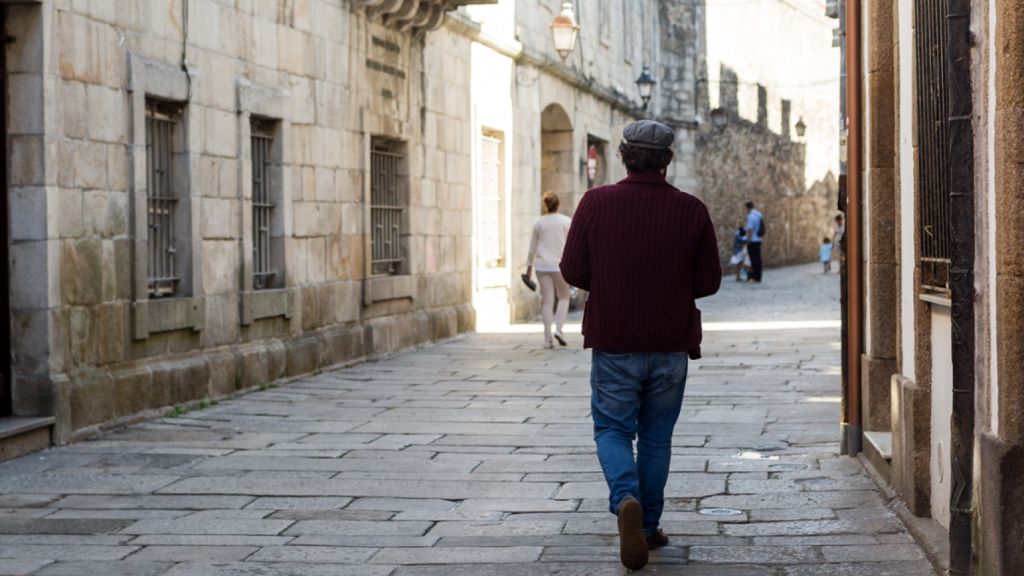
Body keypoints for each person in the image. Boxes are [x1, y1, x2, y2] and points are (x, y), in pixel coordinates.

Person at [560, 120, 722, 570]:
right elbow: (709, 281)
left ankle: (625, 497)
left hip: (615, 340)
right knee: (655, 437)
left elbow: (572, 269)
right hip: (671, 342)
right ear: (668, 160)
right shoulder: (692, 210)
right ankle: (647, 526)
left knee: (613, 429)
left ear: (623, 155)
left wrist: (611, 285)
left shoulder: (596, 202)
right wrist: (669, 286)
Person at [526, 191, 573, 349]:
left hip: (542, 265)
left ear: (545, 206)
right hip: (560, 265)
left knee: (547, 301)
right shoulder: (566, 221)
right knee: (564, 297)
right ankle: (559, 330)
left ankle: (547, 340)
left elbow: (532, 248)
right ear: (558, 205)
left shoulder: (539, 222)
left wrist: (528, 269)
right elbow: (572, 246)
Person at [744, 201, 764, 283]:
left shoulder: (751, 216)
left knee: (753, 259)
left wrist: (748, 240)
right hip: (759, 239)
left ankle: (754, 277)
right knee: (758, 259)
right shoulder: (759, 214)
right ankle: (758, 276)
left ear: (747, 208)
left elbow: (750, 229)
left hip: (753, 240)